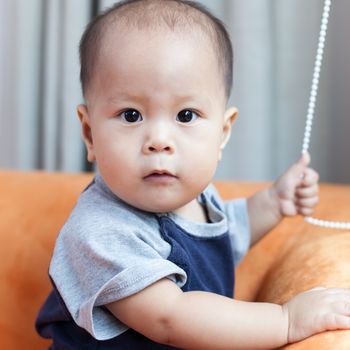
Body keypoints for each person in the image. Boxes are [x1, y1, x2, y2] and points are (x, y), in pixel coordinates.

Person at [36, 0, 350, 349]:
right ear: (90, 133)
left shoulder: (198, 198)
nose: (158, 141)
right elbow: (171, 317)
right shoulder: (99, 233)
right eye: (130, 115)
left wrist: (275, 202)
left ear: (223, 132)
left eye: (185, 116)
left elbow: (227, 232)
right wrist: (287, 320)